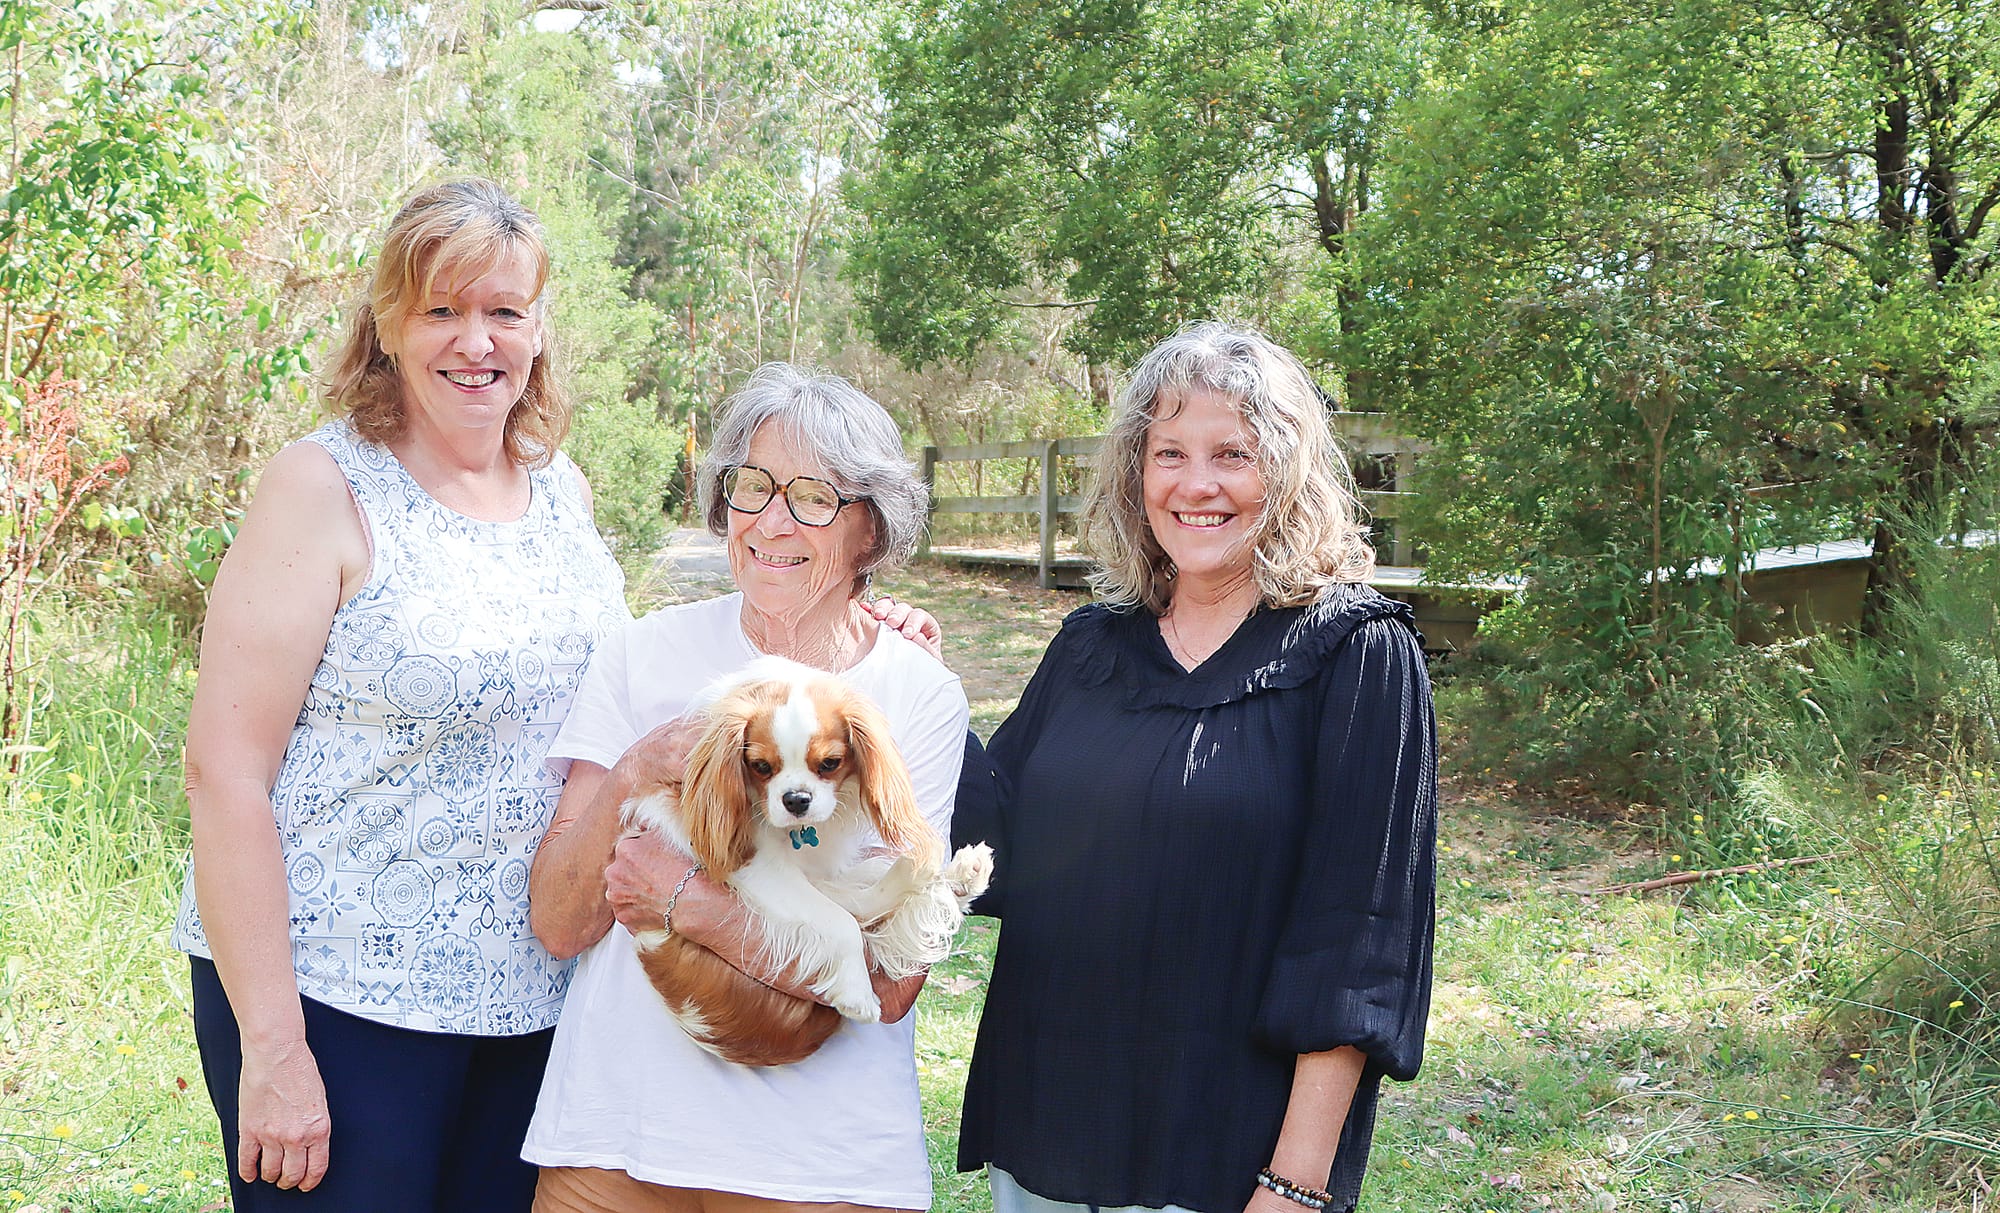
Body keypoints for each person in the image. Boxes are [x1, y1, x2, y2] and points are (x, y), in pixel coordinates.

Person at [173, 179, 631, 1211]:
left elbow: (627, 696)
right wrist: (274, 1044)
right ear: (388, 323)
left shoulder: (563, 491)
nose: (477, 341)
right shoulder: (321, 486)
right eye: (443, 310)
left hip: (528, 1002)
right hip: (334, 998)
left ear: (538, 328)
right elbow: (223, 771)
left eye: (504, 311)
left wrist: (857, 629)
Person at [941, 322, 1437, 1213]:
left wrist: (1294, 1183)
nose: (1196, 484)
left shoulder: (1359, 655)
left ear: (1287, 470)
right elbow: (989, 849)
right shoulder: (1090, 649)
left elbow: (1358, 943)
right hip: (1047, 1135)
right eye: (1168, 452)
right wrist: (915, 684)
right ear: (1136, 474)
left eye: (1232, 454)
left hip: (1223, 1159)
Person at [524, 363, 969, 1213]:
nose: (771, 520)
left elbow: (888, 981)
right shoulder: (642, 653)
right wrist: (637, 771)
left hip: (819, 1164)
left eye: (813, 497)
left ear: (870, 530)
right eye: (753, 485)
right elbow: (558, 919)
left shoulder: (914, 693)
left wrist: (684, 900)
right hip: (613, 1136)